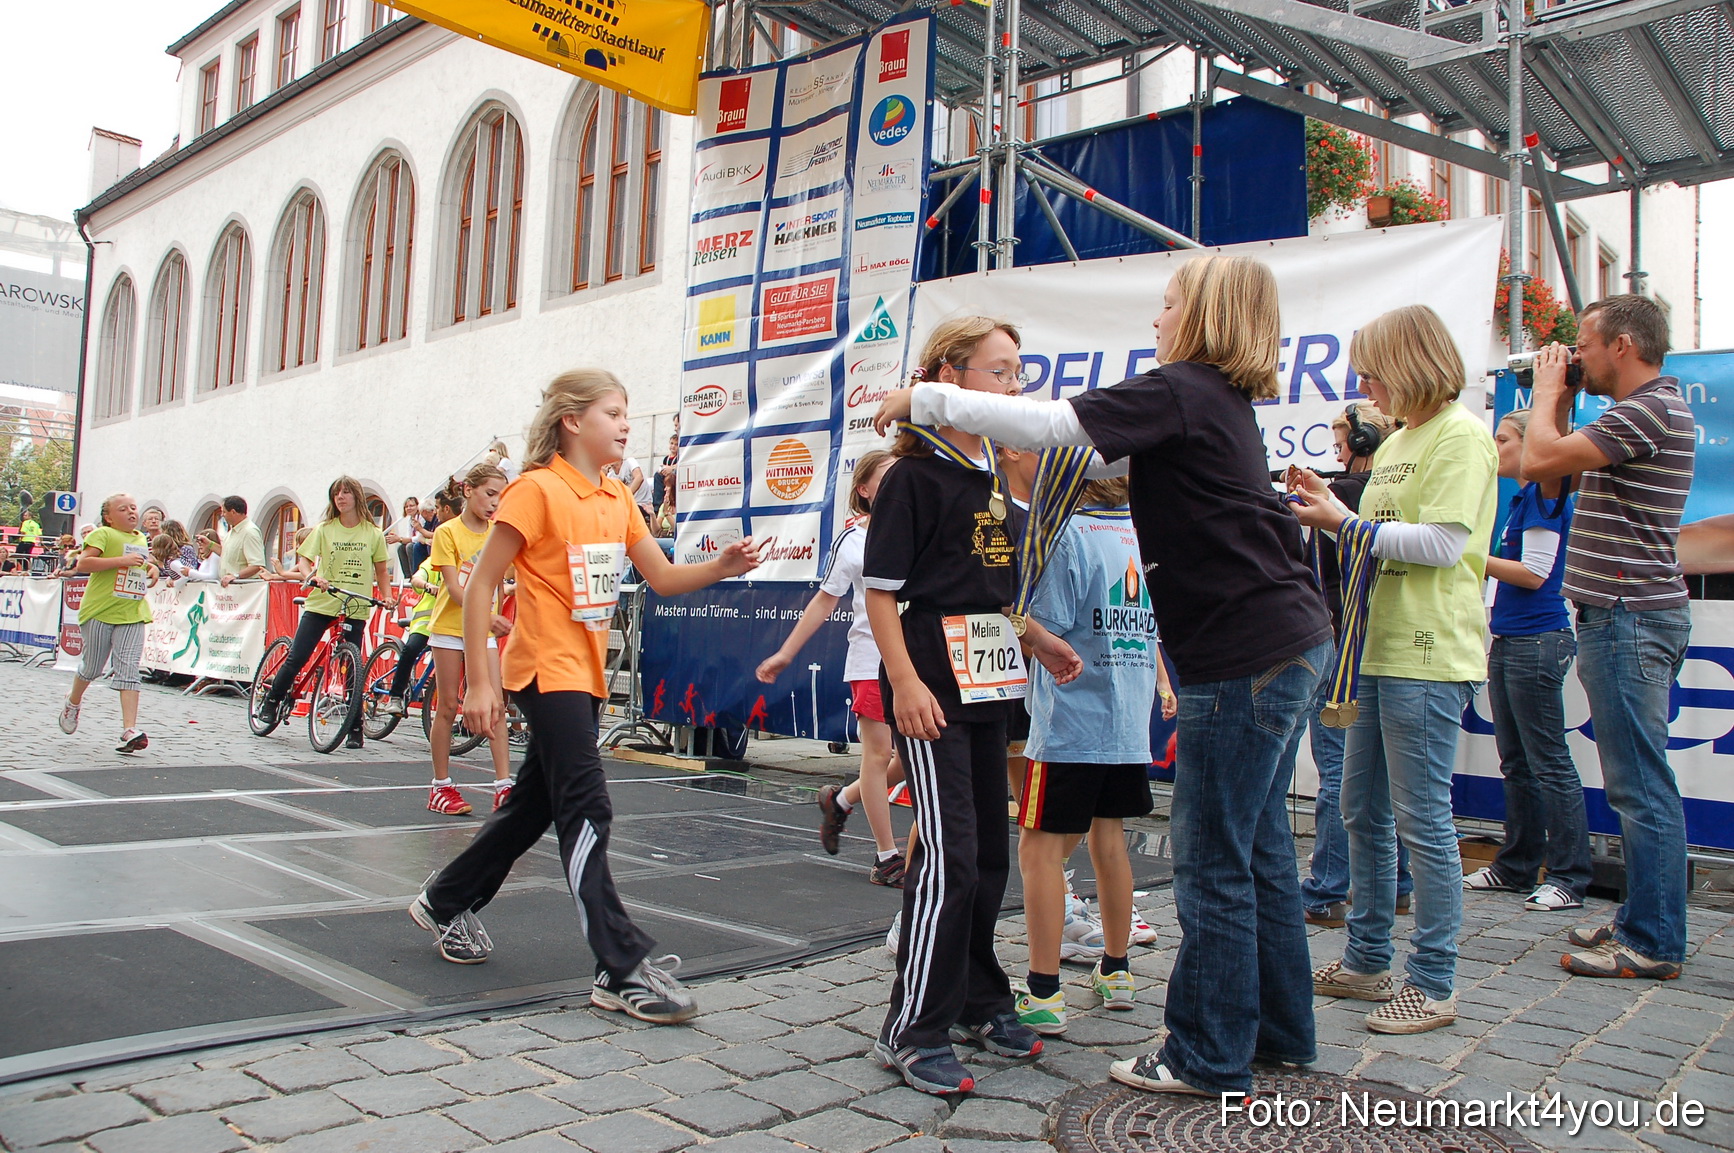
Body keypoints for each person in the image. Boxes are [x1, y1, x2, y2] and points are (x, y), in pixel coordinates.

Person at [873, 255, 1333, 1097]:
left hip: (1244, 653)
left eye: (1166, 306)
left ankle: (1206, 1053)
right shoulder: (1217, 400)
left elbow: (1052, 426)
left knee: (1215, 863)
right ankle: (1279, 1030)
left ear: (1200, 316)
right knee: (1262, 850)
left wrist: (923, 399)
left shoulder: (1184, 386)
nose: (1156, 322)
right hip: (1287, 640)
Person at [411, 369, 762, 1027]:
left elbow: (658, 575)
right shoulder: (535, 490)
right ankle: (618, 964)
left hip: (586, 671)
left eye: (626, 412)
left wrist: (719, 567)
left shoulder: (614, 497)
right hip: (544, 669)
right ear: (572, 421)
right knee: (587, 804)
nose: (626, 423)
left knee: (531, 808)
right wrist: (482, 682)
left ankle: (444, 897)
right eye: (613, 412)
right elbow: (483, 583)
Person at [862, 316, 1053, 1097]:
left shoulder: (994, 475)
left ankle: (977, 996)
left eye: (1017, 372)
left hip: (991, 687)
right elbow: (881, 597)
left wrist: (1039, 637)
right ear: (951, 376)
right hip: (933, 687)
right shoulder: (915, 474)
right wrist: (905, 683)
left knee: (986, 855)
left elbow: (993, 593)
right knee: (947, 854)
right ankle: (910, 1026)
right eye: (1000, 372)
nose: (1014, 386)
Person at [1293, 304, 1497, 1036]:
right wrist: (1328, 512)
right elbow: (1377, 537)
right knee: (1361, 811)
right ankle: (1369, 957)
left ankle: (1434, 981)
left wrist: (1342, 523)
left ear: (1408, 362)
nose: (1364, 383)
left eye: (1372, 368)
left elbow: (1442, 544)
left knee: (1421, 821)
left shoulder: (1462, 436)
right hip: (1371, 651)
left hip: (1426, 653)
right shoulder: (1402, 439)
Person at [1521, 295, 1695, 981]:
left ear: (1623, 345)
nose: (1576, 355)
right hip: (1620, 615)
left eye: (1584, 344)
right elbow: (1557, 472)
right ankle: (1642, 917)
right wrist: (1559, 402)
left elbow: (1536, 461)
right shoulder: (1638, 412)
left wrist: (1540, 391)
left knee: (1640, 786)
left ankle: (1652, 938)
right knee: (1636, 782)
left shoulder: (1649, 409)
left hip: (1628, 616)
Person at [1014, 476, 1174, 1038]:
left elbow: (1044, 632)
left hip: (1070, 725)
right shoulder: (1144, 533)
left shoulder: (1066, 536)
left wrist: (1007, 615)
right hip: (1126, 722)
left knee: (1039, 851)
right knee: (1111, 841)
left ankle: (1043, 991)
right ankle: (1117, 969)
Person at [758, 450, 907, 884]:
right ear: (863, 490)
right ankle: (886, 857)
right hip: (870, 657)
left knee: (912, 761)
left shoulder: (920, 527)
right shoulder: (853, 539)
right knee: (878, 755)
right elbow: (825, 598)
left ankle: (841, 800)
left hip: (917, 659)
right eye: (888, 475)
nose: (900, 480)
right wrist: (786, 652)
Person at [1464, 408, 1589, 913]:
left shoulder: (1542, 494)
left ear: (1529, 447)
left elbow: (1535, 573)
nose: (1496, 448)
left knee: (1548, 760)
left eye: (1504, 439)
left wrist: (1465, 553)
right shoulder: (1520, 499)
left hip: (1539, 638)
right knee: (1516, 761)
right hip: (1514, 637)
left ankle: (1568, 875)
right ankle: (1517, 865)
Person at [1300, 402, 1414, 928]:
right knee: (1379, 780)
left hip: (1345, 640)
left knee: (1340, 776)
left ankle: (1327, 887)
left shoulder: (1344, 495)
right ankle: (1396, 885)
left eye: (1343, 444)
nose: (1338, 454)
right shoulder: (1382, 493)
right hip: (1375, 636)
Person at [256, 477, 395, 748]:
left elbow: (381, 570)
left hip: (355, 603)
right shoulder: (324, 529)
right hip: (323, 601)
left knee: (353, 668)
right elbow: (305, 561)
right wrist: (312, 577)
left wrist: (388, 596)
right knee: (298, 655)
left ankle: (355, 726)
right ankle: (272, 700)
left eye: (345, 493)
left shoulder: (373, 533)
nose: (340, 498)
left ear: (357, 496)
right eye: (335, 494)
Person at [425, 463, 515, 816]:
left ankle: (504, 784)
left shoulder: (499, 532)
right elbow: (454, 588)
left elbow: (508, 576)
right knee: (448, 705)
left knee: (496, 706)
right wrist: (487, 615)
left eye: (500, 497)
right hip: (450, 628)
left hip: (484, 631)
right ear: (468, 491)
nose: (495, 503)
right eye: (490, 494)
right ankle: (441, 785)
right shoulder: (447, 533)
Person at [58, 493, 155, 752]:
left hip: (132, 612)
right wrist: (121, 561)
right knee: (92, 668)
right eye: (123, 509)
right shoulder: (102, 534)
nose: (131, 512)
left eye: (134, 508)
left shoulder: (140, 538)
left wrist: (151, 569)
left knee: (129, 670)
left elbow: (138, 566)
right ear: (109, 517)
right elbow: (84, 562)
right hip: (100, 610)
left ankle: (129, 730)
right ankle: (73, 701)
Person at [219, 496, 267, 585]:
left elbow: (257, 565)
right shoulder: (232, 532)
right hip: (229, 590)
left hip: (244, 589)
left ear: (233, 512)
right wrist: (210, 545)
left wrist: (235, 576)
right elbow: (226, 553)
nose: (222, 515)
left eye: (224, 512)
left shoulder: (250, 532)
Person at [386, 496, 421, 579]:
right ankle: (408, 576)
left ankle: (415, 574)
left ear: (417, 506)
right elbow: (409, 537)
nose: (409, 508)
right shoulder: (410, 520)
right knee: (401, 548)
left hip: (422, 543)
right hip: (415, 543)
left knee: (410, 546)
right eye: (406, 506)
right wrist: (400, 539)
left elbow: (418, 538)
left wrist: (399, 539)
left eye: (411, 506)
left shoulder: (421, 517)